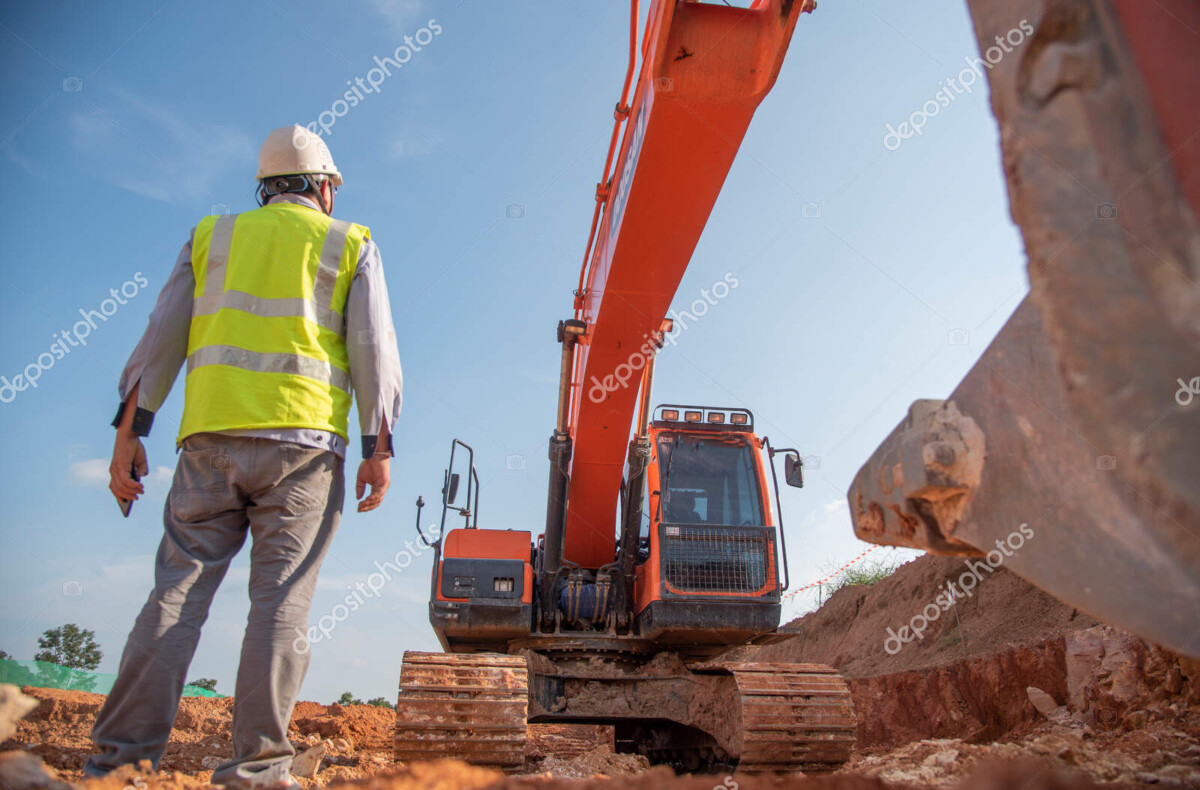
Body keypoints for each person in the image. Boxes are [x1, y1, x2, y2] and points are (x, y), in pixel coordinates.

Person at [84, 125, 404, 790]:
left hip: (209, 440)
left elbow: (161, 335)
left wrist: (129, 429)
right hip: (306, 450)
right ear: (323, 186)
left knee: (175, 596)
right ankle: (255, 770)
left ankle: (119, 763)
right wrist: (380, 445)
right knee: (281, 606)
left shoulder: (213, 236)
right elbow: (375, 348)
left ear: (265, 187)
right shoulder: (350, 242)